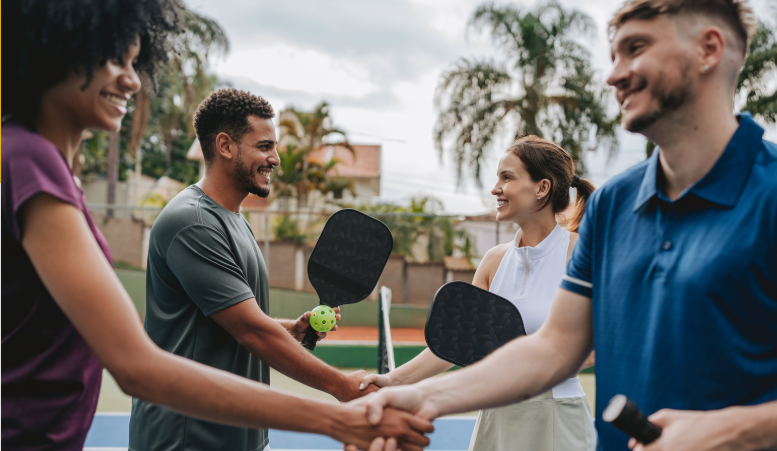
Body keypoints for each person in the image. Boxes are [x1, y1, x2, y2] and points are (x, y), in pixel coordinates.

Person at [1, 1, 433, 450]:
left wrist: (291, 331)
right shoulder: (30, 163)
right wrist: (337, 412)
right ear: (54, 49)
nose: (132, 79)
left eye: (134, 62)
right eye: (114, 59)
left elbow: (235, 325)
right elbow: (137, 363)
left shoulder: (46, 167)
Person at [351, 0, 777, 450]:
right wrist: (414, 396)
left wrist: (729, 431)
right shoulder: (614, 205)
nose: (614, 75)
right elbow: (553, 349)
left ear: (708, 49)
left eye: (636, 48)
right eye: (613, 57)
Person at [128, 87, 382, 451]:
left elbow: (234, 318)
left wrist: (292, 330)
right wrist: (341, 386)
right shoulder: (193, 223)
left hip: (235, 435)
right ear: (225, 146)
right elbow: (250, 330)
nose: (275, 159)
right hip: (188, 439)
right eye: (264, 146)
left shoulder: (233, 219)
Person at [359, 136, 597, 451]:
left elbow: (605, 341)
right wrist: (393, 381)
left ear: (542, 188)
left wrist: (539, 372)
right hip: (495, 414)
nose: (495, 188)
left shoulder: (581, 254)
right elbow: (456, 343)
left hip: (556, 417)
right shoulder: (493, 261)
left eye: (507, 177)